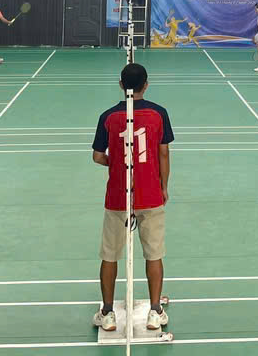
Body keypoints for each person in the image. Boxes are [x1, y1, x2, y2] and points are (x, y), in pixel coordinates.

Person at [91, 63, 173, 333]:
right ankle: (155, 311)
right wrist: (163, 186)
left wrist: (116, 163)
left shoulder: (108, 116)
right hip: (150, 194)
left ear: (120, 85)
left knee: (110, 255)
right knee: (154, 254)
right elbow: (163, 153)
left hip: (117, 195)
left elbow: (97, 156)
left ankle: (107, 313)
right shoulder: (159, 113)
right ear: (146, 85)